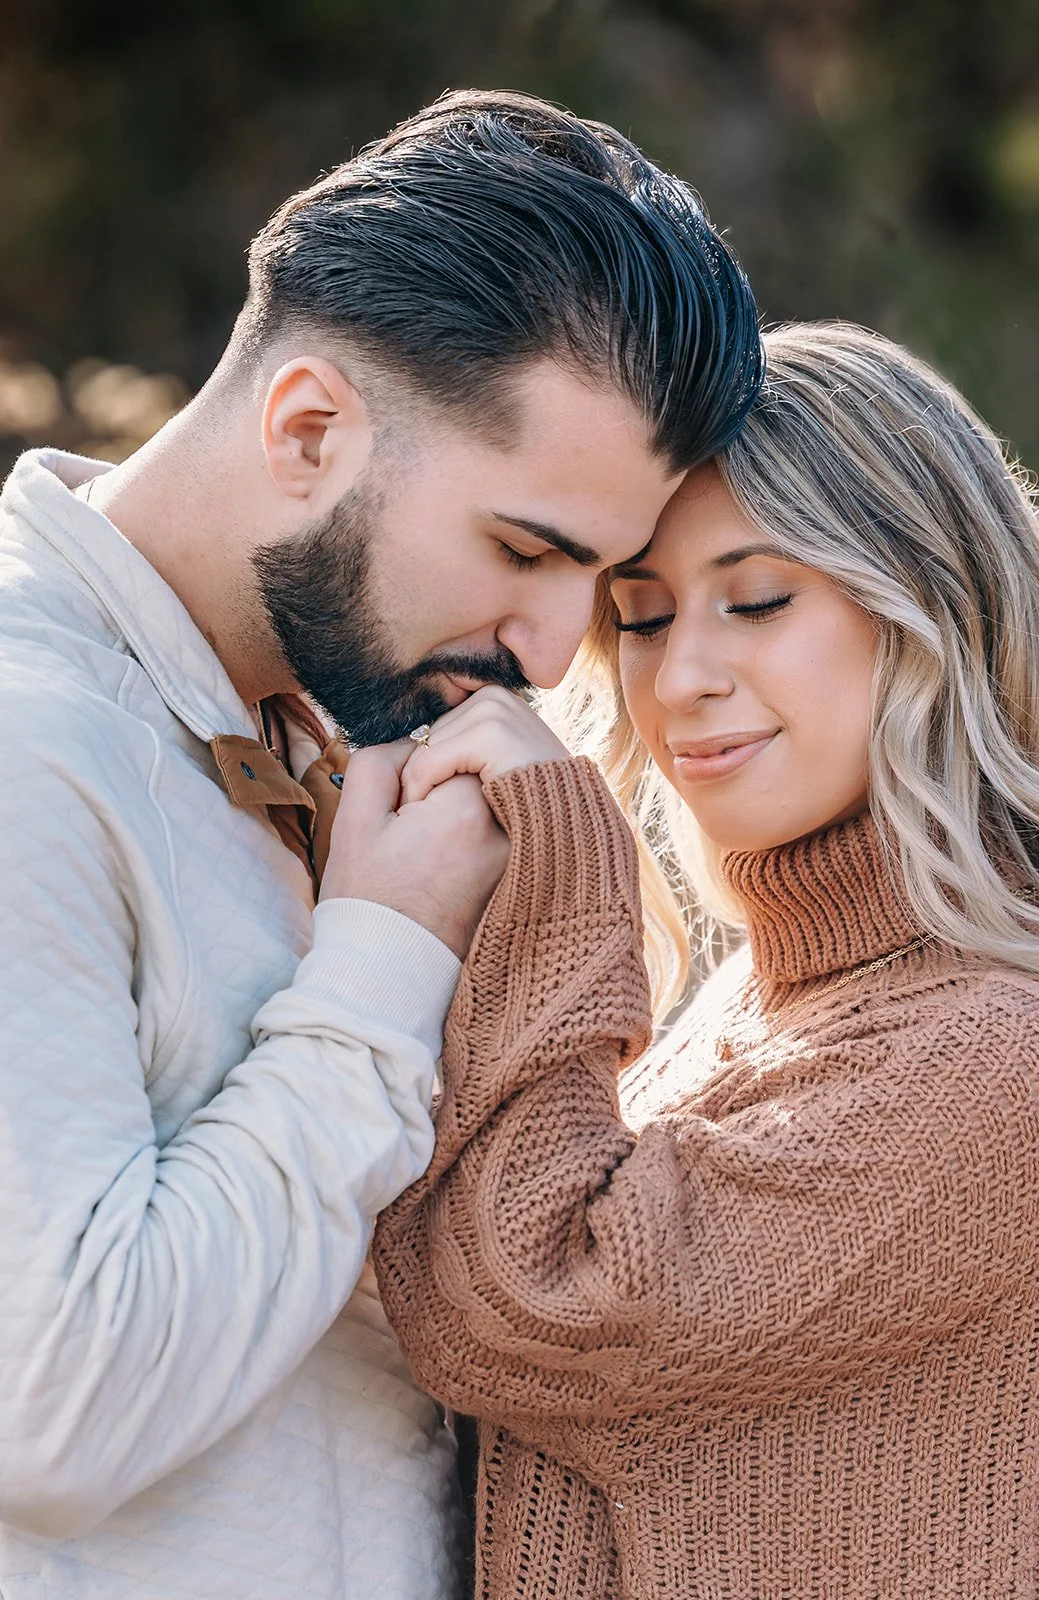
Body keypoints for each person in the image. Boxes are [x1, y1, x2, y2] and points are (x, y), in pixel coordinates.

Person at [0, 89, 762, 1599]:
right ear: (307, 428)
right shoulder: (31, 747)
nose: (550, 653)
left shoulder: (354, 756)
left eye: (599, 582)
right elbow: (55, 1412)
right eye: (524, 551)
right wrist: (380, 965)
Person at [373, 321, 1039, 1599]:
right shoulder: (762, 1005)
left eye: (756, 601)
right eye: (637, 618)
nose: (680, 676)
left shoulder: (1002, 1067)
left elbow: (529, 1301)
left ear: (935, 613)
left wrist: (557, 879)